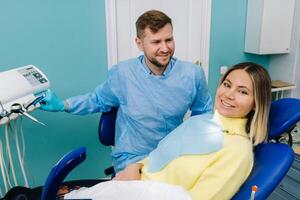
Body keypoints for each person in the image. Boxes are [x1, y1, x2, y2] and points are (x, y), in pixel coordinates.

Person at [64, 62, 272, 200]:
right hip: (133, 180)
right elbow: (160, 156)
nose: (229, 94)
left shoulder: (237, 151)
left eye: (242, 91)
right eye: (227, 85)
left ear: (256, 103)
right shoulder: (201, 122)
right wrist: (135, 167)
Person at [40, 10, 212, 173]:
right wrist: (63, 104)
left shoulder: (192, 74)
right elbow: (98, 100)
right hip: (133, 158)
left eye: (169, 40)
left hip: (172, 156)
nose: (165, 48)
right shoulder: (123, 74)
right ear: (139, 43)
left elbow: (202, 114)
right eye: (156, 42)